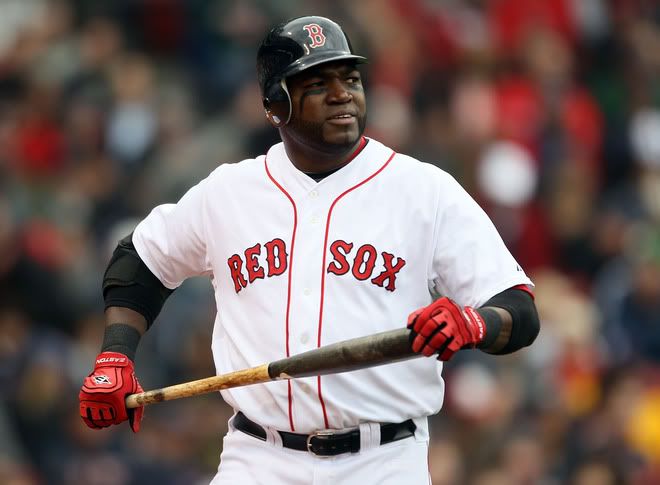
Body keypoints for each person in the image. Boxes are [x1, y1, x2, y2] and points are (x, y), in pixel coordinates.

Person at [78, 15, 540, 484]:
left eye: (351, 79)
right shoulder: (230, 192)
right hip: (258, 457)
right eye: (318, 83)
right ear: (275, 105)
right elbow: (138, 262)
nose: (342, 94)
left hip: (382, 461)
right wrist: (115, 355)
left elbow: (519, 310)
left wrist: (474, 323)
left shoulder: (423, 190)